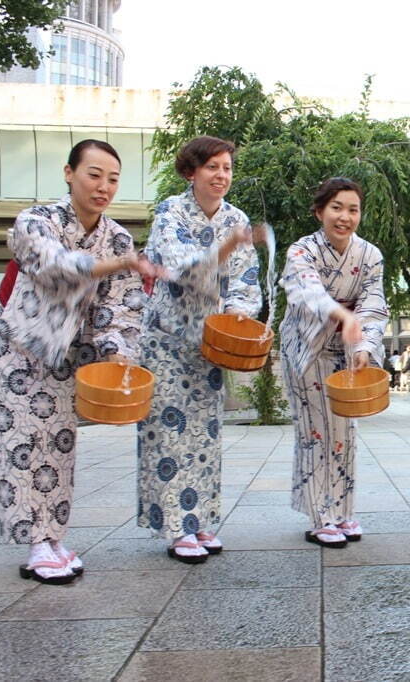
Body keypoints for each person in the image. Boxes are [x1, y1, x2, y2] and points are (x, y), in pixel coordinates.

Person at [0, 139, 158, 584]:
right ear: (69, 173)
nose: (104, 187)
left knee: (60, 437)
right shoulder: (35, 221)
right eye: (94, 174)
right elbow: (54, 266)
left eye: (113, 179)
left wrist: (118, 354)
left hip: (69, 345)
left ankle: (53, 534)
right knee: (23, 433)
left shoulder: (118, 236)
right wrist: (116, 263)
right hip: (17, 339)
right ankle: (35, 542)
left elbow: (119, 305)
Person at [136, 136, 264, 563]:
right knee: (168, 431)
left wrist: (240, 314)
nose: (221, 176)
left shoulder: (236, 217)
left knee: (205, 433)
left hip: (212, 342)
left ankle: (202, 518)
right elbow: (180, 267)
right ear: (192, 171)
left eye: (227, 168)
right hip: (167, 338)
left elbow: (247, 279)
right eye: (212, 167)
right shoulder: (170, 212)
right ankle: (176, 527)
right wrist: (224, 247)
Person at [279, 177, 388, 548]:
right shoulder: (302, 250)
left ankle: (341, 510)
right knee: (315, 430)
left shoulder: (370, 255)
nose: (345, 217)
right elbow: (308, 292)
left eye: (353, 209)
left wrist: (364, 348)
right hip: (306, 348)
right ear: (320, 211)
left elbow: (374, 304)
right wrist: (342, 314)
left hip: (347, 349)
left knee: (344, 431)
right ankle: (318, 515)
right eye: (336, 208)